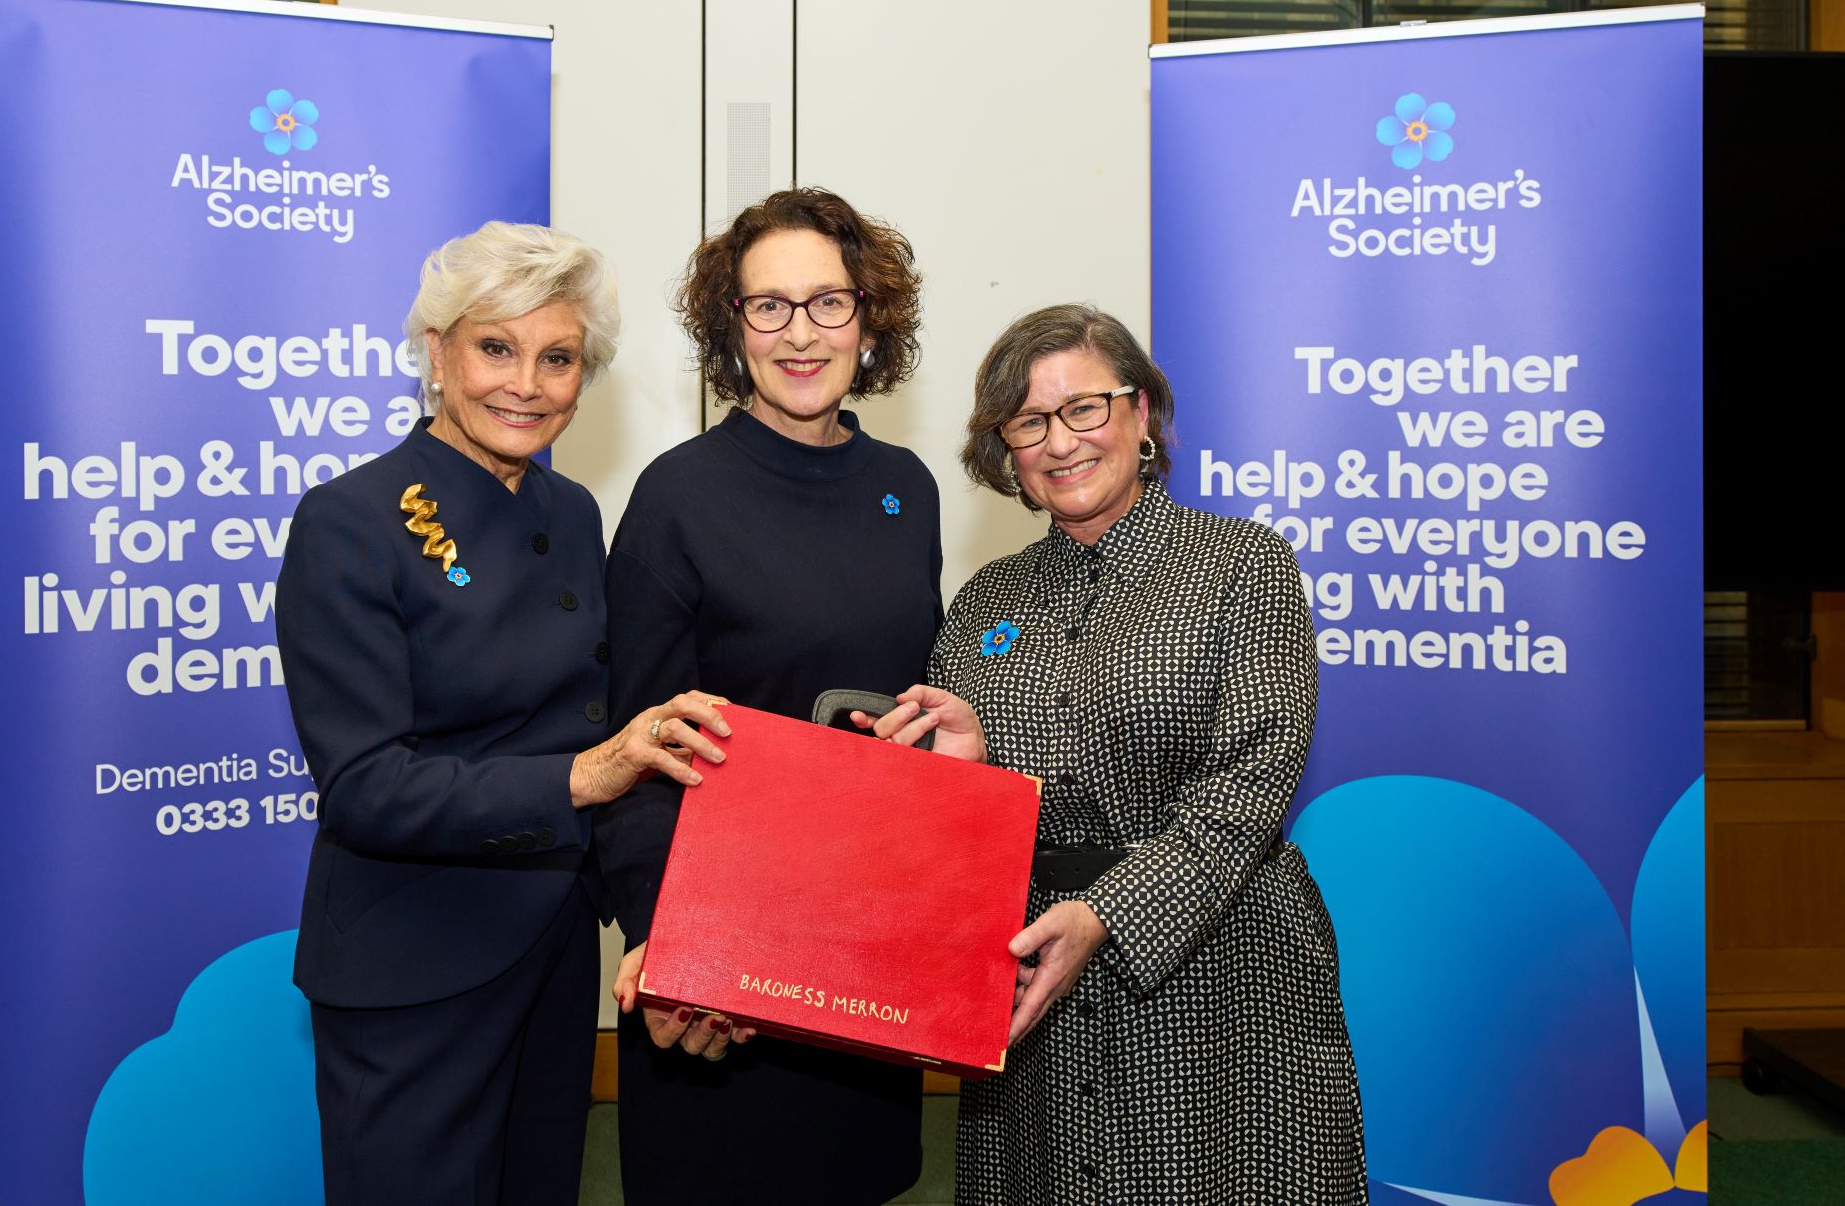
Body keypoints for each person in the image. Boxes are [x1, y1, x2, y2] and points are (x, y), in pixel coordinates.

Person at [867, 304, 1368, 1205]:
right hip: (1029, 974)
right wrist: (971, 773)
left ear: (1142, 413)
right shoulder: (986, 600)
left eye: (1085, 407)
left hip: (1221, 970)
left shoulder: (1243, 563)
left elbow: (1252, 777)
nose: (1060, 441)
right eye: (1029, 421)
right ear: (1006, 451)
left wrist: (1104, 913)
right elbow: (962, 822)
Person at [276, 222, 733, 1205]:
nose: (526, 382)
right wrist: (584, 774)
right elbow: (364, 789)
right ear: (436, 353)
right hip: (412, 968)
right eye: (496, 346)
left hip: (551, 954)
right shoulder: (348, 521)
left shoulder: (569, 513)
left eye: (557, 357)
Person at [598, 188, 941, 1205]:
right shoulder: (676, 497)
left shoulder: (906, 488)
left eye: (828, 303)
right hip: (719, 970)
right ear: (730, 328)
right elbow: (633, 745)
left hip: (863, 949)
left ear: (870, 320)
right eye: (768, 307)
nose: (801, 333)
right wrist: (675, 951)